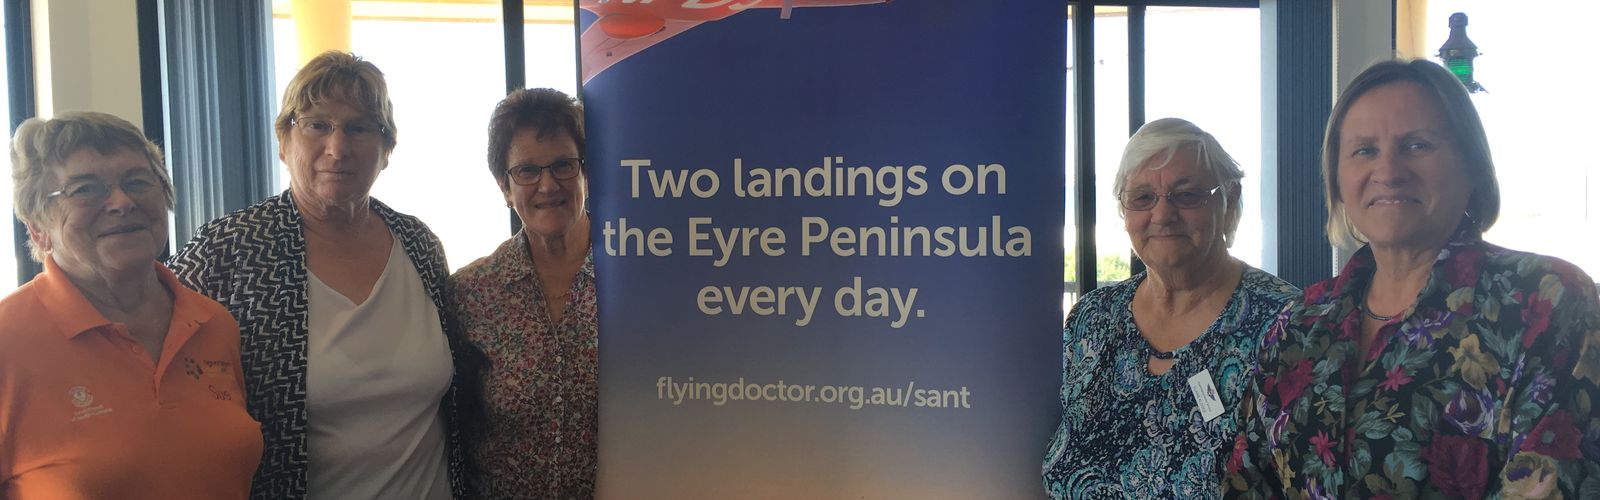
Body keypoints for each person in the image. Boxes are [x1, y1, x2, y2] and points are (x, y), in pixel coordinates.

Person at [1225, 59, 1600, 498]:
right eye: (1364, 150)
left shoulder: (1548, 302)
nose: (1388, 171)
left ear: (1472, 166)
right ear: (1338, 180)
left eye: (1418, 145)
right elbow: (1246, 482)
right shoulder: (1297, 324)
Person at [169, 51, 483, 499]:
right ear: (283, 140)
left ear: (387, 149)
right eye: (317, 124)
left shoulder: (418, 243)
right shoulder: (229, 248)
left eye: (359, 127)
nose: (338, 148)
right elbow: (151, 359)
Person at [0, 112, 262, 498]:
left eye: (138, 182)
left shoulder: (213, 323)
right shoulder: (9, 340)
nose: (122, 202)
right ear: (38, 228)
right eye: (85, 189)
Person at [1041, 118, 1299, 498]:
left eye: (1187, 194)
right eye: (1142, 198)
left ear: (1228, 200)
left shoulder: (1288, 324)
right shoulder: (1092, 318)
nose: (1162, 215)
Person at [449, 87, 597, 498]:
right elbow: (452, 425)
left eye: (564, 165)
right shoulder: (472, 292)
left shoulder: (637, 278)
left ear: (587, 172)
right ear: (504, 186)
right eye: (527, 171)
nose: (548, 185)